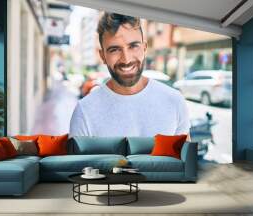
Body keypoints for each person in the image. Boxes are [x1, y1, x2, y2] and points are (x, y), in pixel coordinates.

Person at [69, 12, 191, 140]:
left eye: (133, 46)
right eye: (114, 49)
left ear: (144, 48)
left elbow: (185, 159)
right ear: (103, 56)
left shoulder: (174, 101)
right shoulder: (85, 112)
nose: (126, 60)